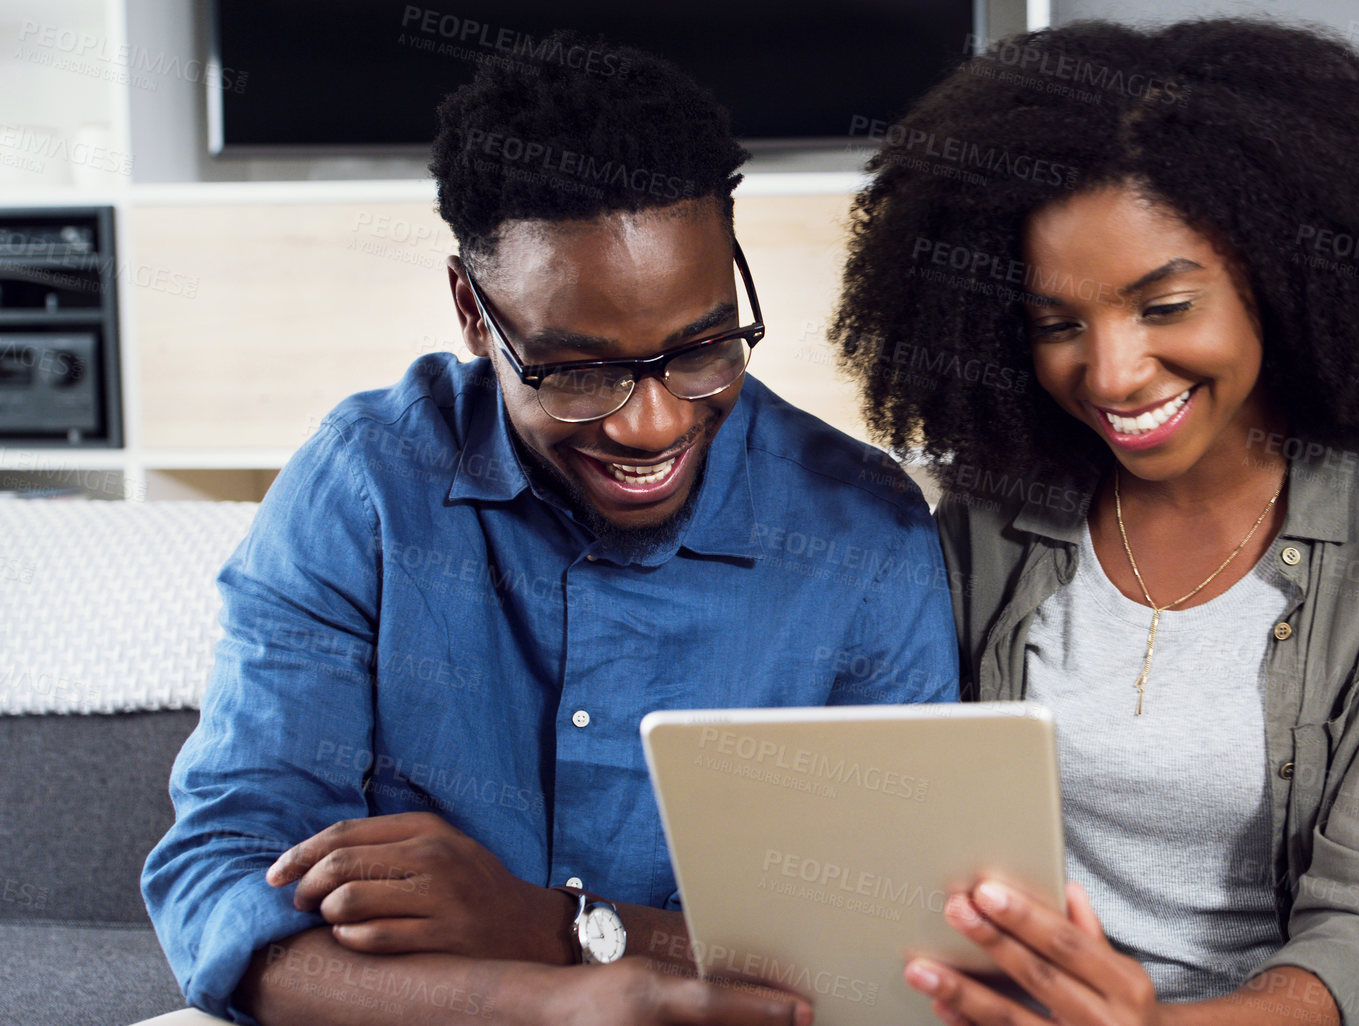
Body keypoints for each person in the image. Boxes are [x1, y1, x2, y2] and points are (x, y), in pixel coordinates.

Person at [142, 33, 957, 1026]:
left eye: (702, 347)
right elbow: (225, 877)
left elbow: (884, 951)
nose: (651, 424)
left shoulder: (863, 537)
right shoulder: (366, 484)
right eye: (576, 371)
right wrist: (543, 1004)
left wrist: (553, 927)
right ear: (473, 313)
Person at [832, 18, 1359, 1026]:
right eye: (1058, 325)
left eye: (1165, 307)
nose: (1109, 374)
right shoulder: (988, 512)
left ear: (1282, 284)